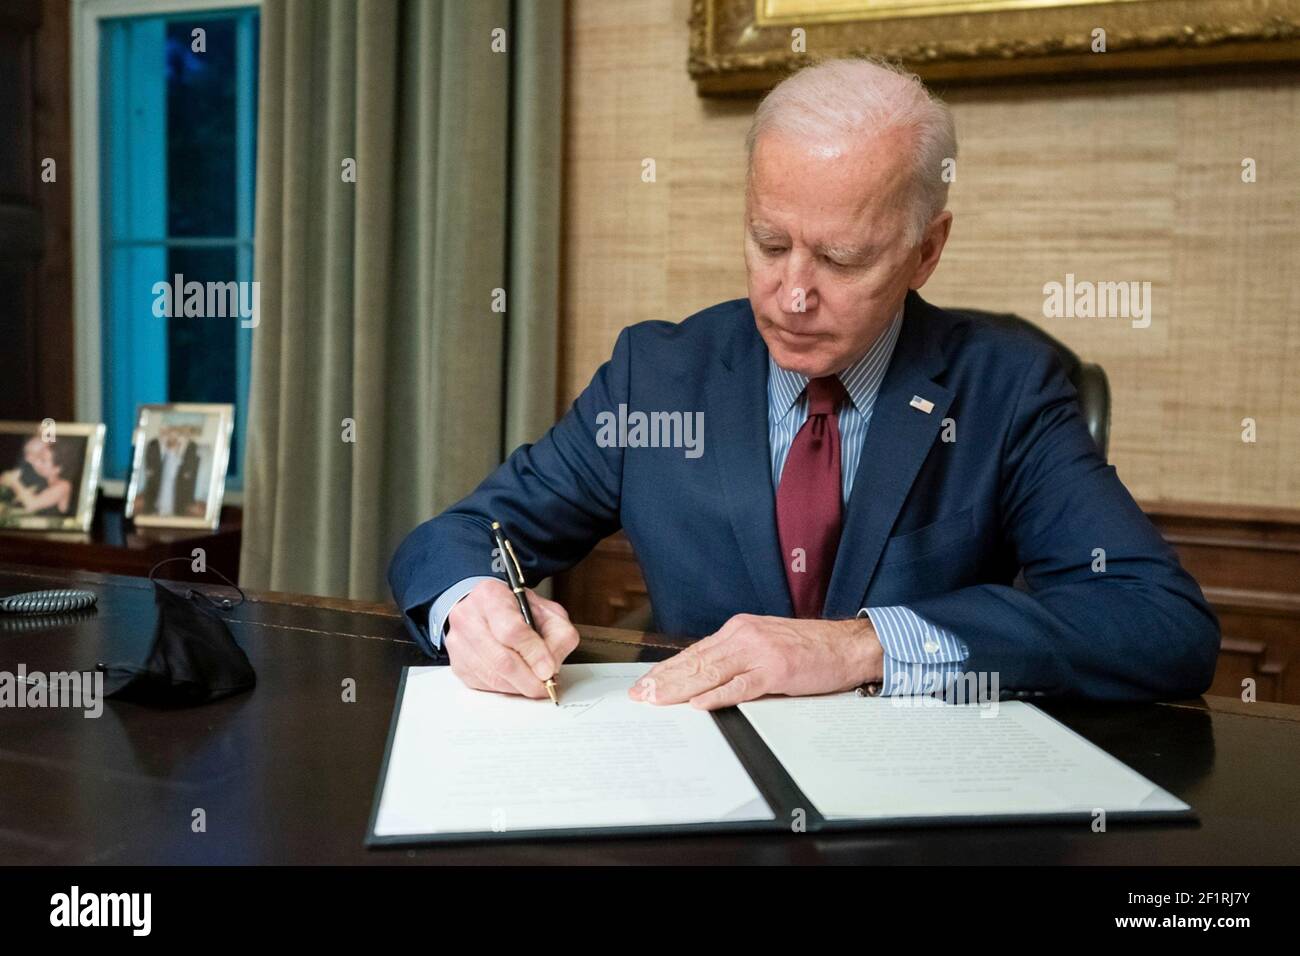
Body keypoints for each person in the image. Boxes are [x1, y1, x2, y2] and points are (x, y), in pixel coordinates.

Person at [388, 57, 1219, 707]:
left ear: (927, 250)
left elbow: (1161, 626)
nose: (791, 294)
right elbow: (459, 536)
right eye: (768, 241)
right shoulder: (659, 377)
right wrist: (473, 605)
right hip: (697, 792)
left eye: (841, 258)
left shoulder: (1005, 387)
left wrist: (864, 645)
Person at [0, 436, 77, 516]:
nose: (37, 462)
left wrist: (14, 481)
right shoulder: (41, 480)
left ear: (57, 469)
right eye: (38, 457)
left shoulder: (64, 486)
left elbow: (32, 505)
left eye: (43, 460)